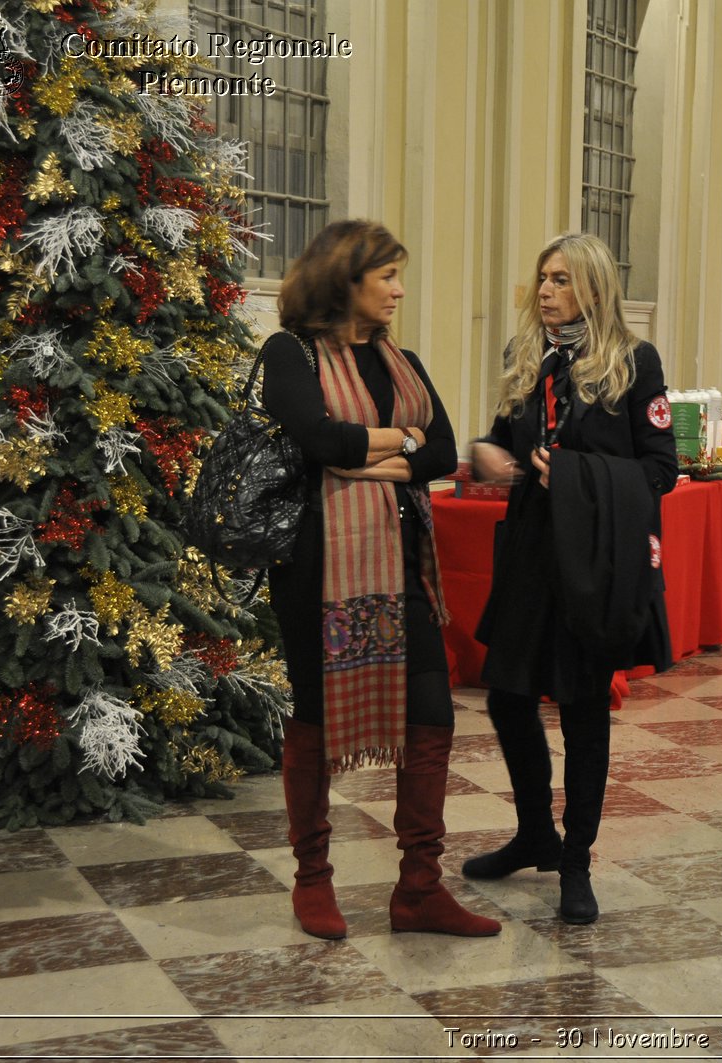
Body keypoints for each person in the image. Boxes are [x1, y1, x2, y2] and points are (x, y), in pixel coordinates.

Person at [262, 220, 500, 941]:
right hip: (319, 564)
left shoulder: (404, 361)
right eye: (387, 276)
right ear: (346, 279)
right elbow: (319, 439)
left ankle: (419, 889)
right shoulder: (289, 352)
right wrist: (406, 442)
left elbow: (448, 452)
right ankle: (313, 879)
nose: (399, 290)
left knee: (433, 714)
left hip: (403, 561)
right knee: (315, 715)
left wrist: (378, 455)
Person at [461, 232, 678, 925]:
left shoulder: (634, 362)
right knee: (507, 697)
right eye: (542, 277)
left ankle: (577, 860)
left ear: (591, 287)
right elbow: (502, 435)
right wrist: (486, 454)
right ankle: (536, 833)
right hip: (530, 555)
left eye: (559, 279)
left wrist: (579, 477)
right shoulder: (526, 357)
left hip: (593, 561)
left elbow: (660, 468)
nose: (545, 290)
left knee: (583, 711)